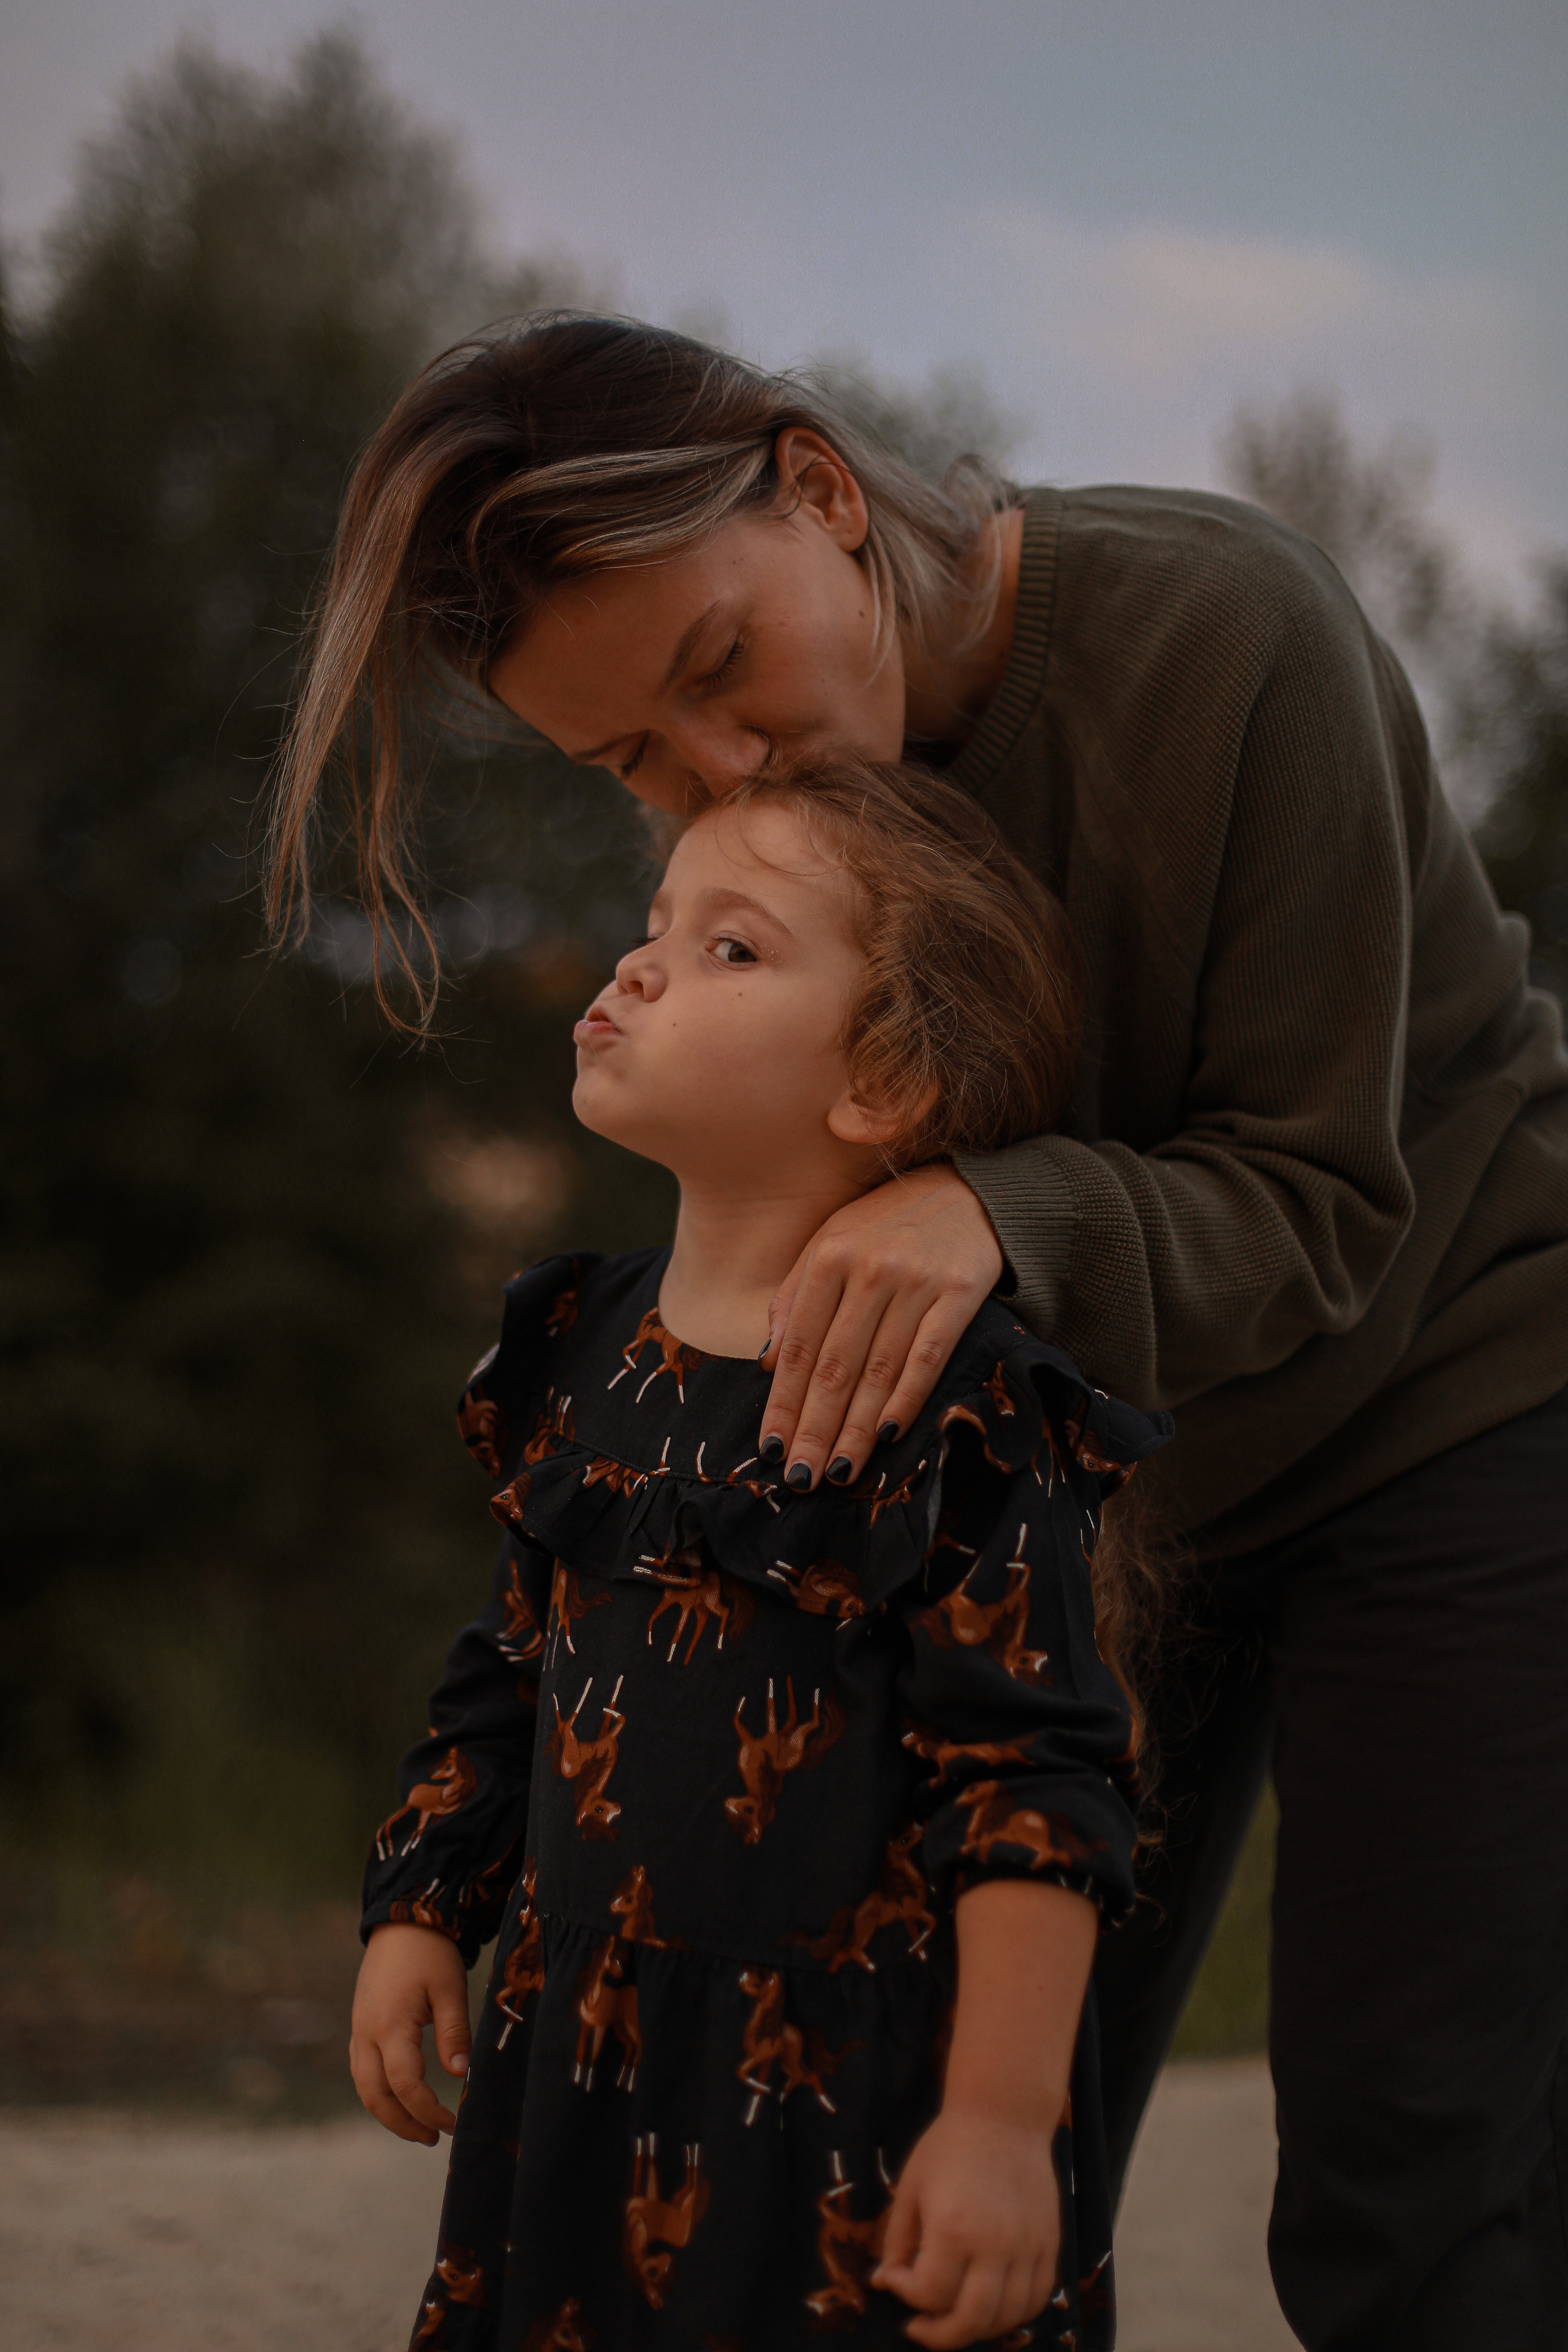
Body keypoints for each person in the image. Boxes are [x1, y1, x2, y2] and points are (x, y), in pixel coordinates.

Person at [273, 315, 1568, 2348]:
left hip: (1445, 1387)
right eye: (629, 761)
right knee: (941, 2161)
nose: (721, 772)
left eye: (715, 667)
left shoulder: (1232, 635)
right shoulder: (770, 820)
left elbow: (1326, 1203)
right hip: (1066, 1474)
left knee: (1409, 2170)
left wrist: (994, 1210)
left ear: (818, 489)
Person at [351, 758, 1172, 2349]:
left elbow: (1039, 1785)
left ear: (885, 1084)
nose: (638, 961)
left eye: (732, 946)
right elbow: (511, 1665)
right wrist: (420, 1905)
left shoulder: (959, 1406)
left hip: (852, 2107)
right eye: (654, 922)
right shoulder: (581, 1345)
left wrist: (1001, 2126)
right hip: (584, 2065)